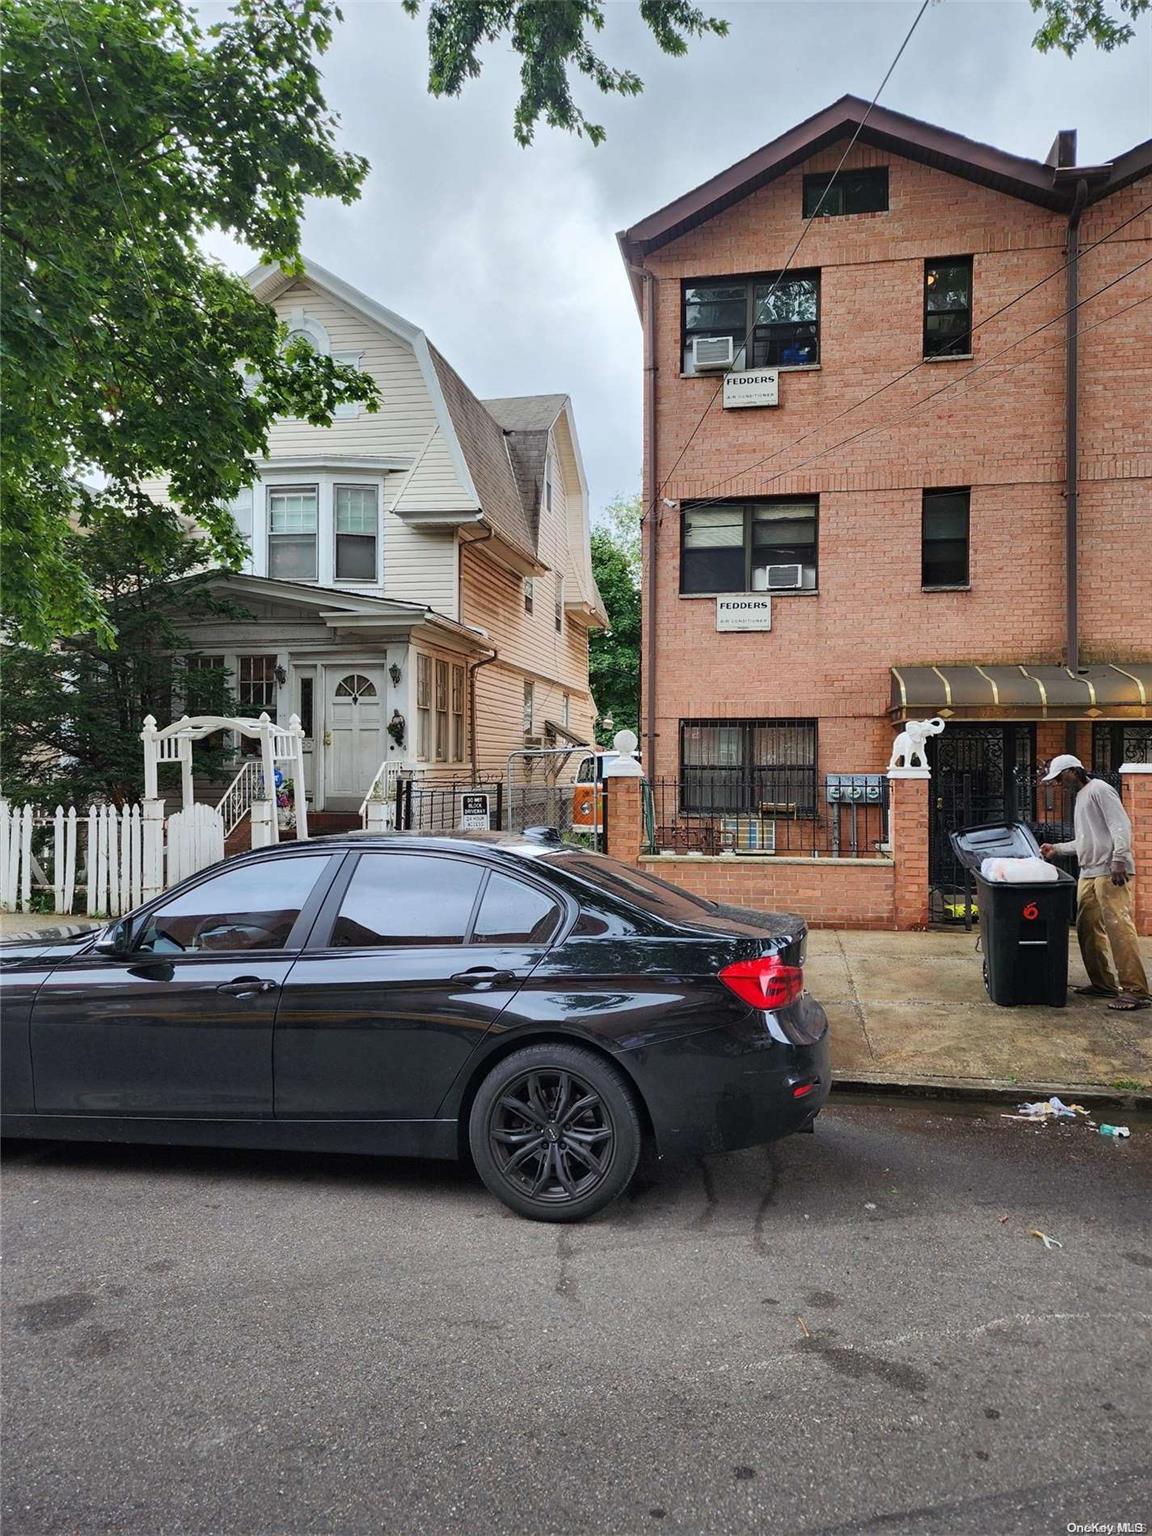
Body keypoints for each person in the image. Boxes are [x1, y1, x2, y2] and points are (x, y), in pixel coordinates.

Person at [1039, 754, 1149, 1011]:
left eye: (1059, 778)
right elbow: (1086, 841)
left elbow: (1120, 824)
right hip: (1088, 872)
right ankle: (1103, 983)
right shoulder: (1081, 797)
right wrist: (1056, 849)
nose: (1058, 784)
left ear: (1073, 771)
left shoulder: (1100, 789)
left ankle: (1136, 991)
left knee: (1118, 927)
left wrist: (1120, 859)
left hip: (1110, 870)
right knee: (1087, 928)